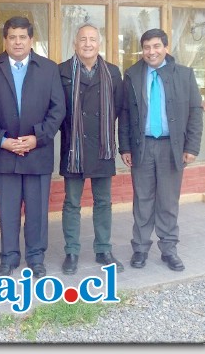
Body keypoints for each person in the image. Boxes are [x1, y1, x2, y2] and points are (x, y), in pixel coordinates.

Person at [0, 16, 65, 279]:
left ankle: (36, 258)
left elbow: (58, 109)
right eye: (12, 37)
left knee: (37, 210)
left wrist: (38, 137)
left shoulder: (49, 69)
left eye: (22, 37)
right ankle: (8, 258)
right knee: (8, 211)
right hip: (4, 153)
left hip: (37, 152)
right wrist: (2, 140)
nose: (17, 42)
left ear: (31, 40)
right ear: (5, 40)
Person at [118, 28, 203, 271]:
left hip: (171, 147)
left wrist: (192, 146)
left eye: (156, 46)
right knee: (142, 200)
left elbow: (196, 112)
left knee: (167, 200)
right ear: (142, 50)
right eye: (146, 47)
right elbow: (124, 113)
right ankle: (141, 249)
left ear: (166, 48)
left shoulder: (184, 75)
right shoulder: (132, 74)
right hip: (142, 145)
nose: (151, 51)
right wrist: (125, 146)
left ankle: (169, 249)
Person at [58, 23, 124, 275]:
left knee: (103, 202)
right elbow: (56, 109)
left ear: (99, 44)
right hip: (73, 149)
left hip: (101, 147)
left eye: (92, 39)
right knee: (72, 202)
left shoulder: (113, 73)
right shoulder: (62, 71)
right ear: (75, 44)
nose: (87, 44)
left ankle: (103, 250)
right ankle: (72, 251)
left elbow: (118, 109)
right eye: (82, 39)